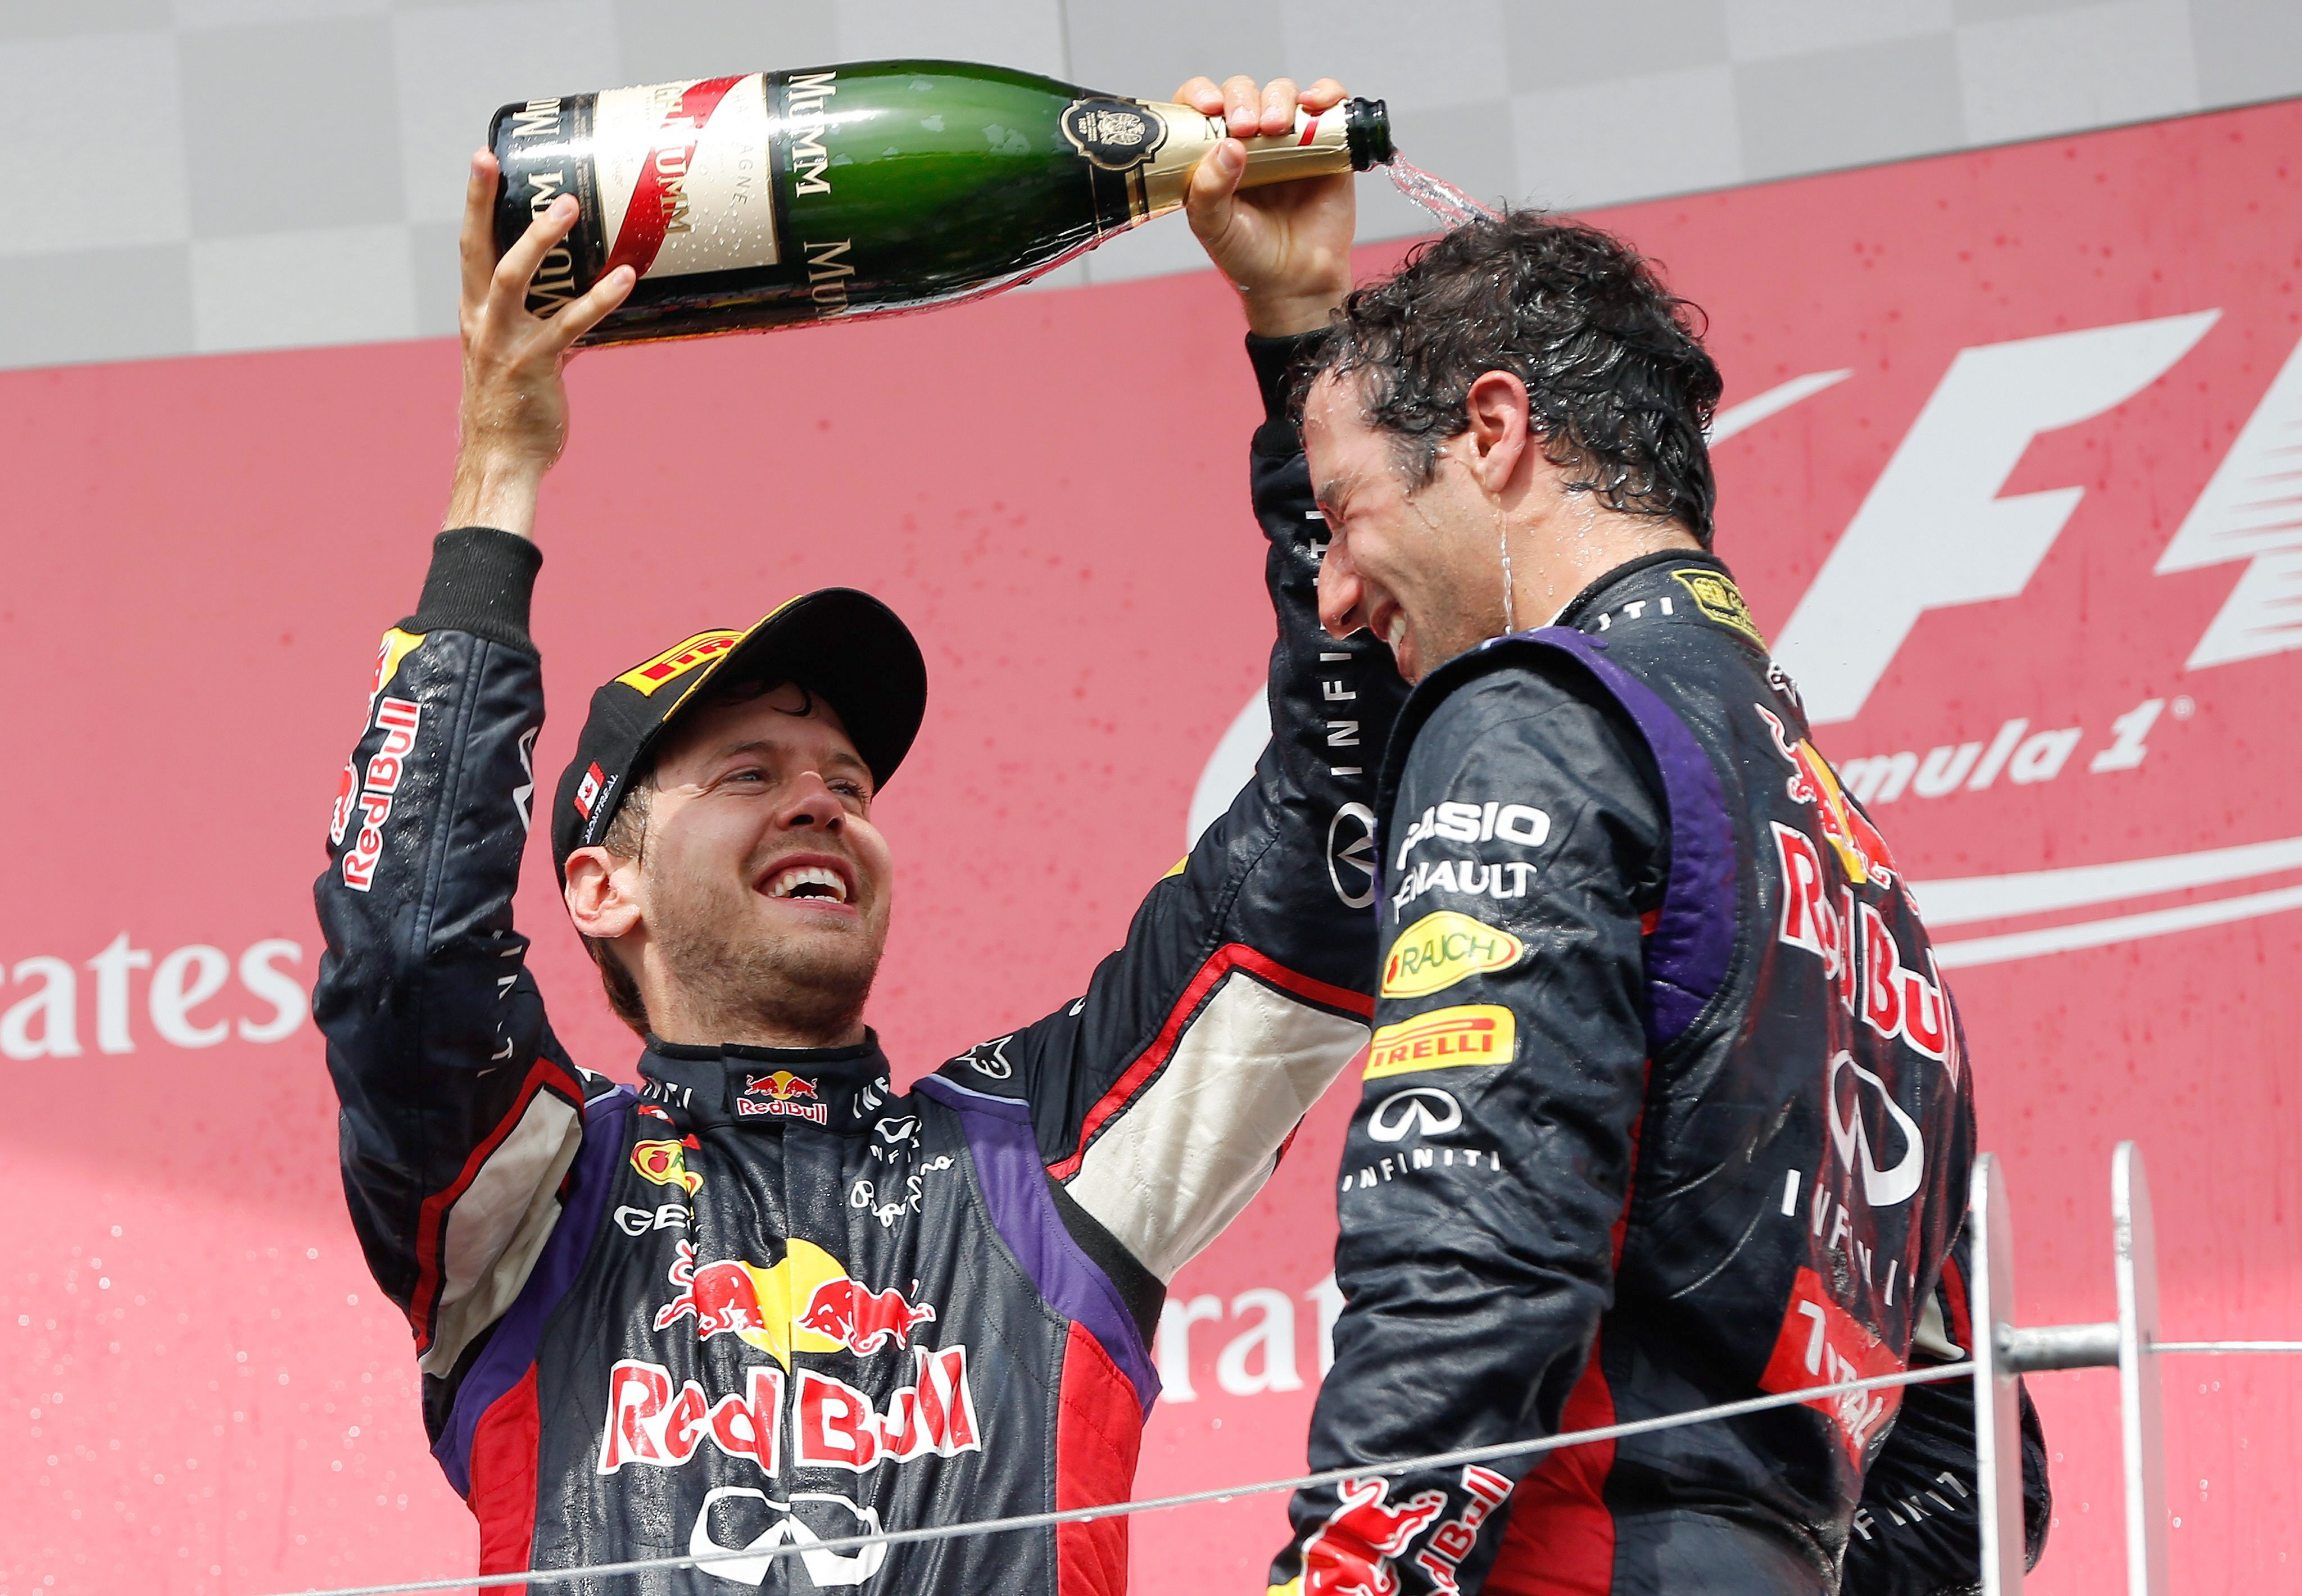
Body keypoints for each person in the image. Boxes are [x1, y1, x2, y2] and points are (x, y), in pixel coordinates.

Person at [312, 75, 1404, 1593]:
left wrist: (1304, 344)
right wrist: (498, 471)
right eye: (747, 774)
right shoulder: (540, 1200)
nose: (822, 798)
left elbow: (1329, 862)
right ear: (601, 885)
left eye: (848, 779)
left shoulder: (1039, 1155)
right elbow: (402, 955)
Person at [1264, 214, 2051, 1595]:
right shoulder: (1849, 861)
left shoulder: (1528, 719)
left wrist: (1341, 1578)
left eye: (1338, 517)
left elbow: (1467, 1242)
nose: (1330, 596)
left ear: (1493, 430)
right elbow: (1978, 1475)